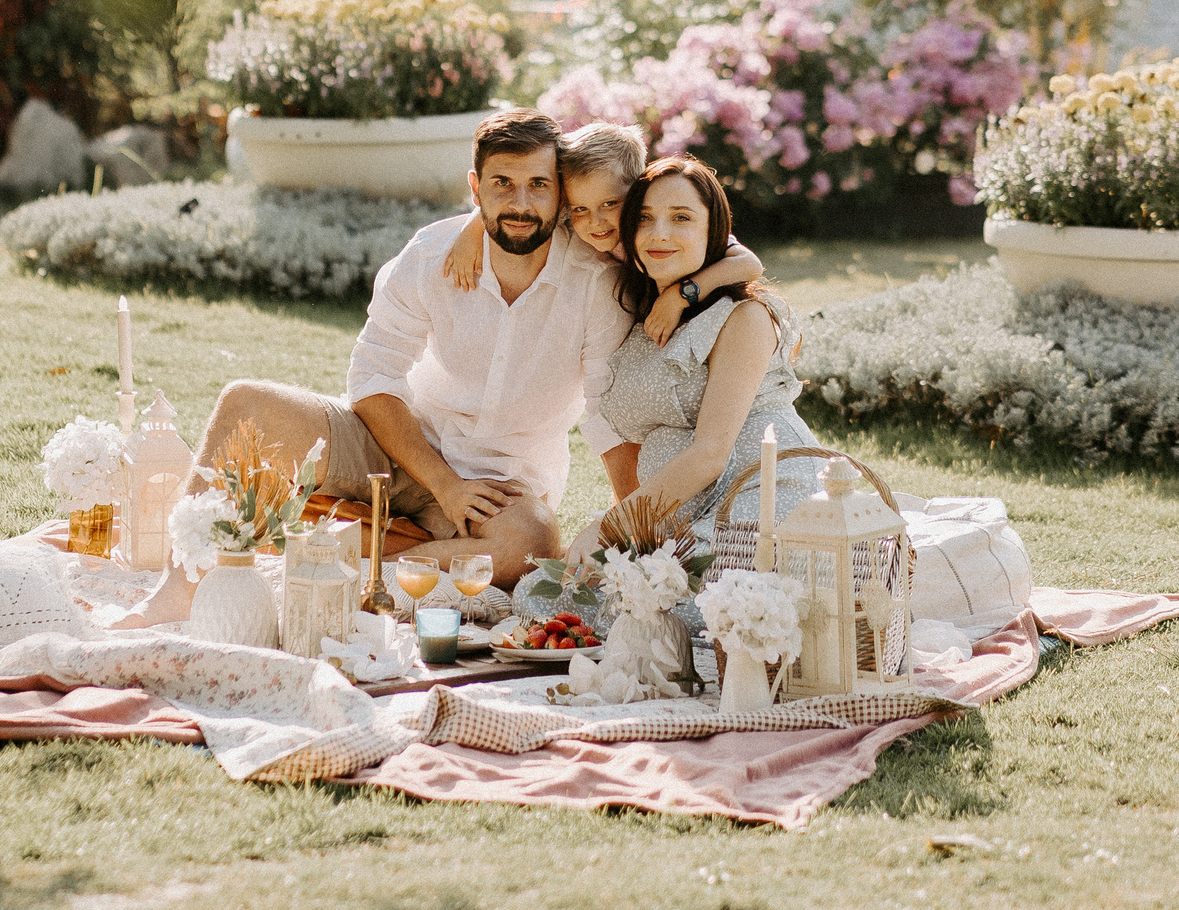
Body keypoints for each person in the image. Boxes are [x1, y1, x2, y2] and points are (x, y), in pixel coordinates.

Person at [127, 109, 634, 623]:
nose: (520, 203)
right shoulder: (432, 253)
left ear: (561, 195)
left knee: (533, 542)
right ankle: (178, 588)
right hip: (397, 446)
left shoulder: (595, 283)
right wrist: (443, 483)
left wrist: (636, 534)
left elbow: (607, 416)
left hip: (500, 487)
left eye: (537, 185)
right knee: (247, 404)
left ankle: (347, 568)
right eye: (503, 183)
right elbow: (373, 378)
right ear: (475, 188)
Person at [571, 156, 824, 558]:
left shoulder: (744, 316)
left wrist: (609, 527)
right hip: (677, 513)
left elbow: (709, 453)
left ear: (714, 231)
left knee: (686, 608)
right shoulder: (642, 318)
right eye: (644, 219)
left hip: (761, 495)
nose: (659, 234)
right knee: (555, 598)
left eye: (682, 218)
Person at [440, 121, 764, 348]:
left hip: (704, 315)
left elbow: (749, 263)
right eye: (580, 209)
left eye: (610, 203)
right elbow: (524, 209)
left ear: (639, 189)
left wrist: (679, 296)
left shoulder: (655, 229)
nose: (595, 223)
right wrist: (474, 226)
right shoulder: (577, 217)